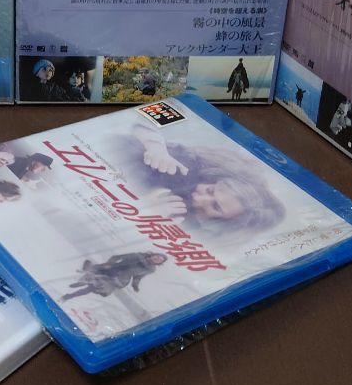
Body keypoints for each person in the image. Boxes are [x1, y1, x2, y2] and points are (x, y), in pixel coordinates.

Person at [114, 123, 286, 235]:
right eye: (210, 190)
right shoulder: (185, 166)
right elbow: (140, 125)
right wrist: (156, 148)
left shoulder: (189, 228)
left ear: (223, 221)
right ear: (214, 181)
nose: (199, 198)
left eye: (216, 207)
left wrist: (144, 213)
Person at [61, 252, 167, 301]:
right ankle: (82, 281)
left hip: (120, 279)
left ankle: (69, 296)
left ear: (159, 263)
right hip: (112, 268)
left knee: (92, 288)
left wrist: (135, 286)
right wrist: (109, 263)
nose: (157, 259)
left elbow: (138, 277)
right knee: (93, 273)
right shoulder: (137, 255)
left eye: (159, 260)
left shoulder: (150, 269)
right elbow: (116, 257)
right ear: (153, 254)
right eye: (157, 256)